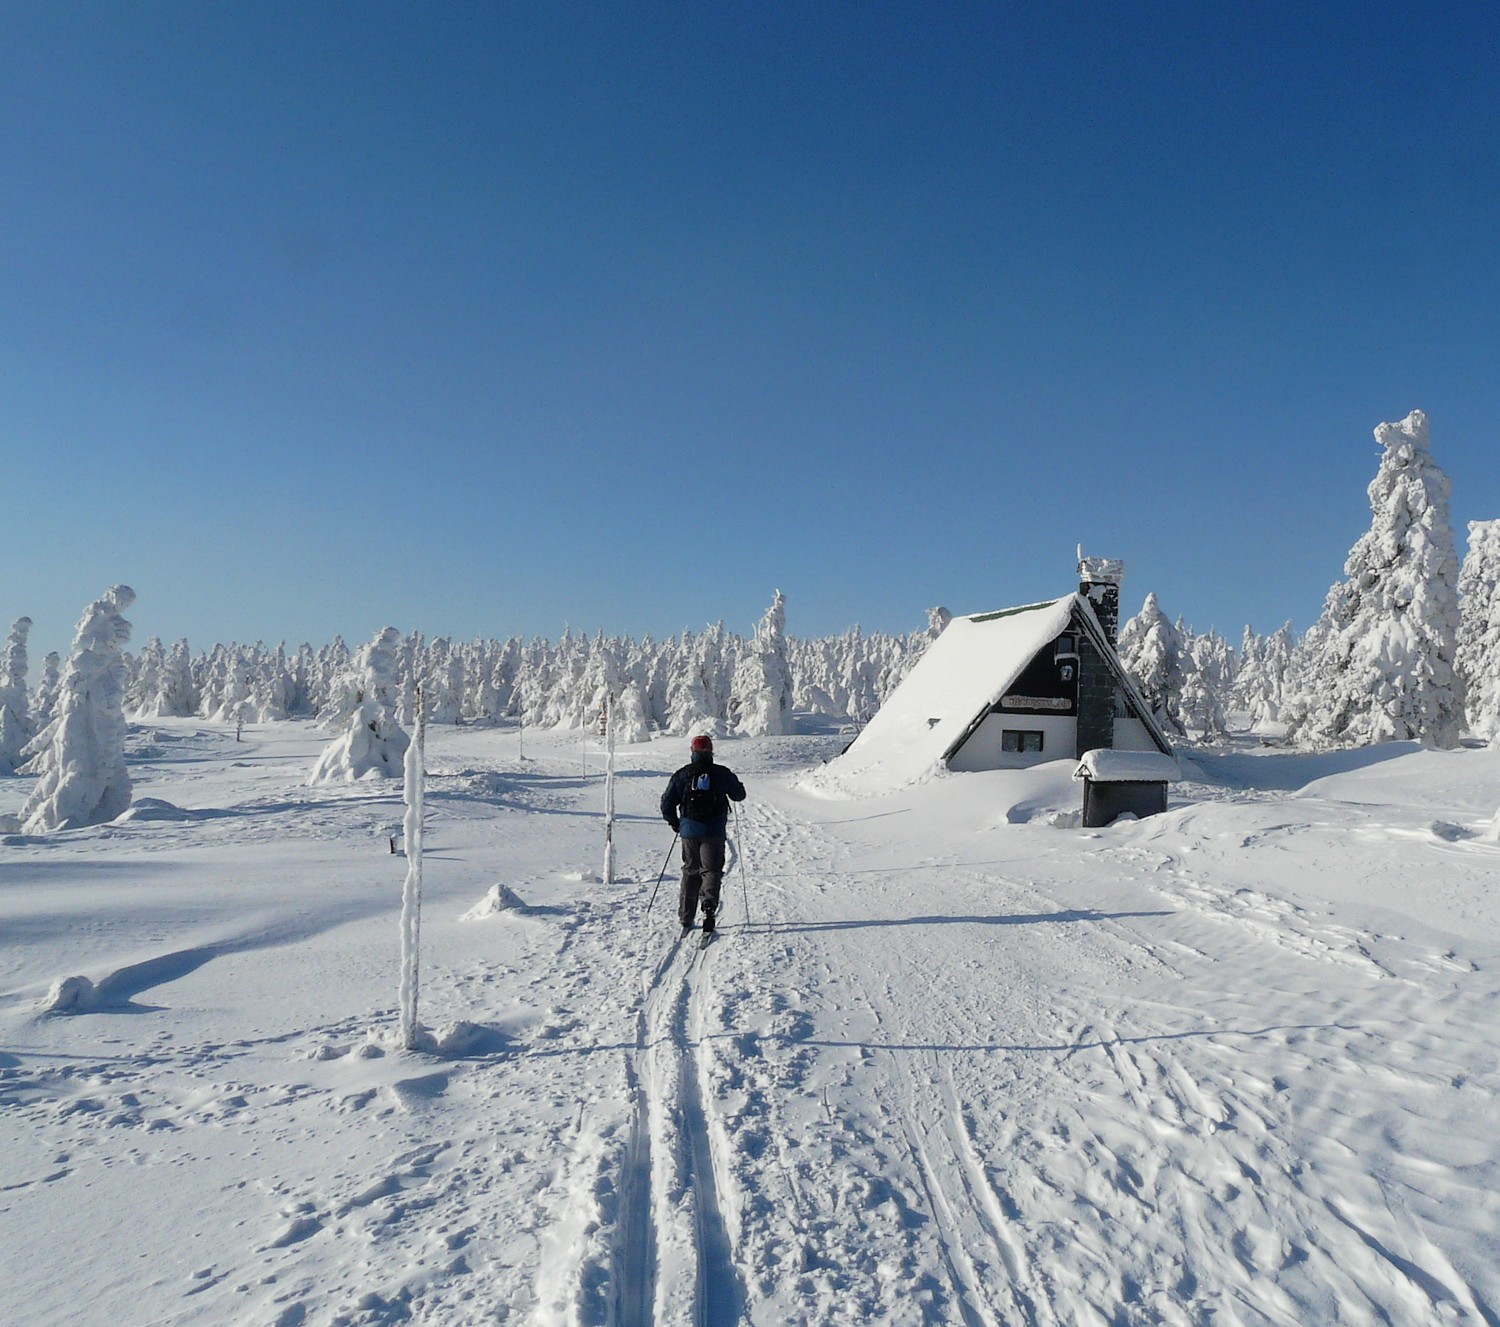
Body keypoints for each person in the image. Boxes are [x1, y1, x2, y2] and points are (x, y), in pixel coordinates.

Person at [660, 734, 746, 935]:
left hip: (689, 831)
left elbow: (666, 803)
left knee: (690, 871)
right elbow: (739, 795)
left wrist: (676, 823)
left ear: (692, 752)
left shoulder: (682, 774)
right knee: (711, 870)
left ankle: (686, 916)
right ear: (711, 752)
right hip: (714, 831)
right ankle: (708, 908)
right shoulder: (721, 773)